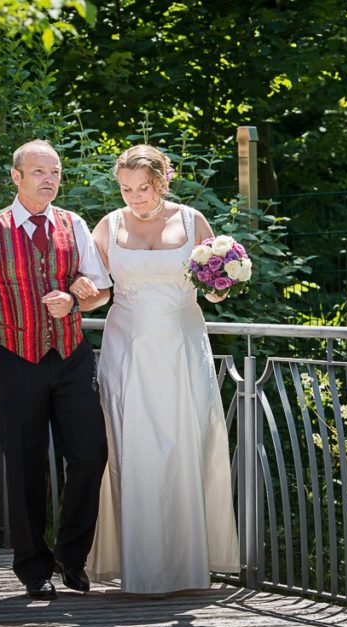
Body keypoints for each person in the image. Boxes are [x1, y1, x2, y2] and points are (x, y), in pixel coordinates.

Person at [72, 144, 240, 594]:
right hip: (127, 351)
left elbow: (213, 291)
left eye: (142, 188)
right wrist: (77, 293)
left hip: (182, 349)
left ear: (162, 182)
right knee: (133, 450)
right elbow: (99, 293)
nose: (134, 197)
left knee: (186, 444)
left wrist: (225, 283)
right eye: (125, 189)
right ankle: (139, 565)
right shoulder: (107, 225)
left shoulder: (192, 222)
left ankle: (187, 565)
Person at [0, 139, 113, 600]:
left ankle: (70, 554)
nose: (49, 179)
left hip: (71, 357)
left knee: (90, 455)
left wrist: (76, 297)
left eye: (56, 172)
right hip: (16, 357)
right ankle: (32, 567)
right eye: (39, 171)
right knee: (23, 465)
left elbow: (100, 291)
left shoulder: (74, 224)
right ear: (16, 177)